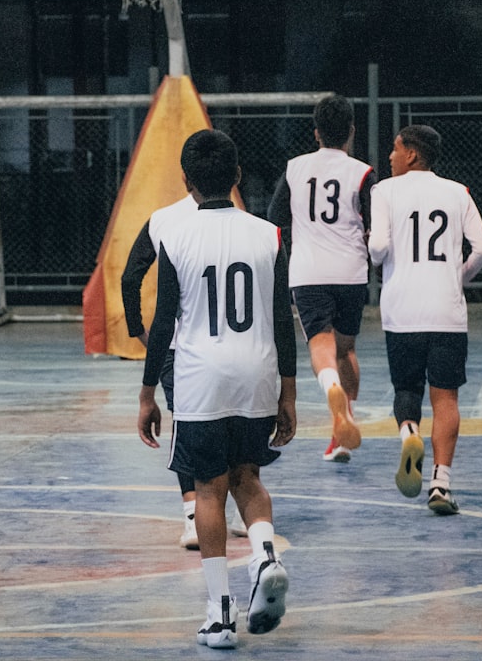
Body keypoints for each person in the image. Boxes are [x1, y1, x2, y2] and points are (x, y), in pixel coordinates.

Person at [136, 129, 297, 648]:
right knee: (247, 477)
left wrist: (146, 393)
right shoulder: (269, 235)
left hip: (201, 377)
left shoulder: (174, 236)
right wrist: (288, 393)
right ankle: (266, 555)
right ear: (237, 176)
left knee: (209, 488)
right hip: (257, 375)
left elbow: (163, 324)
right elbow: (280, 317)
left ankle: (219, 614)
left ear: (186, 180)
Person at [368, 125, 482, 513]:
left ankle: (409, 432)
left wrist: (380, 258)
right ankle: (441, 483)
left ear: (412, 155)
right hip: (446, 310)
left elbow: (378, 247)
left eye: (394, 149)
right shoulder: (458, 192)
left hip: (402, 309)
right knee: (446, 397)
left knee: (407, 390)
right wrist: (456, 276)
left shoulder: (384, 191)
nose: (390, 157)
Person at [121, 186, 249, 550]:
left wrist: (137, 331)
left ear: (185, 176)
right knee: (236, 417)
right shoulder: (244, 222)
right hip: (236, 340)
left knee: (186, 422)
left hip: (180, 344)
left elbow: (130, 278)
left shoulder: (162, 220)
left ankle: (193, 516)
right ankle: (238, 509)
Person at [267, 94, 377, 463]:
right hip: (350, 271)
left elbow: (274, 215)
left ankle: (331, 390)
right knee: (346, 349)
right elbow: (373, 225)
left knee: (320, 345)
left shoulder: (295, 168)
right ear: (351, 131)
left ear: (316, 133)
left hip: (310, 271)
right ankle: (343, 430)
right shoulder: (362, 172)